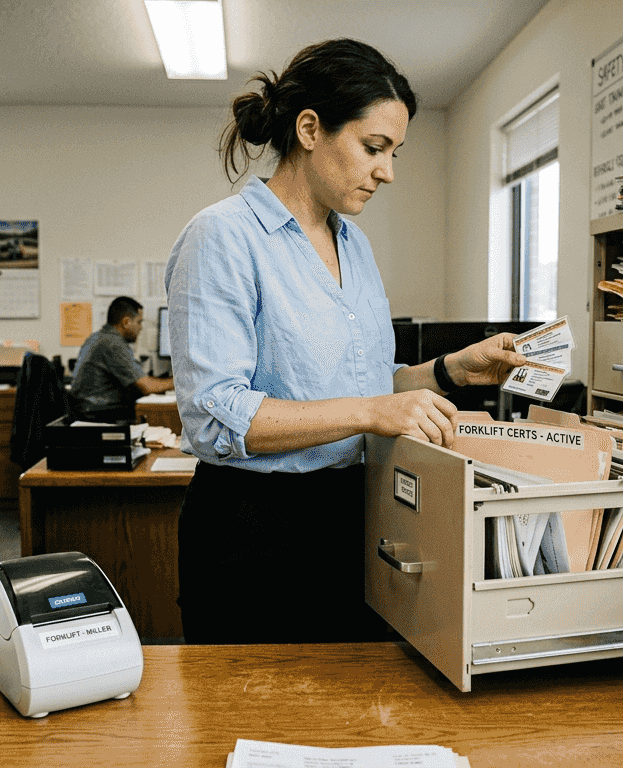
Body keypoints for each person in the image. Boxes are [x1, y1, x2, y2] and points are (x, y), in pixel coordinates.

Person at [164, 39, 526, 644]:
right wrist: (370, 411)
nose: (387, 170)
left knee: (358, 720)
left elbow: (364, 387)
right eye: (373, 147)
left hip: (355, 515)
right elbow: (214, 417)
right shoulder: (223, 238)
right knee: (252, 728)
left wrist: (452, 371)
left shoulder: (352, 244)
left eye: (393, 151)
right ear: (309, 129)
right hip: (254, 530)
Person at [68, 296, 172, 421]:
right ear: (126, 322)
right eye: (139, 322)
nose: (141, 327)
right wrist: (180, 381)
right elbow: (147, 386)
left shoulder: (98, 337)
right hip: (99, 416)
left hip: (87, 411)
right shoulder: (112, 343)